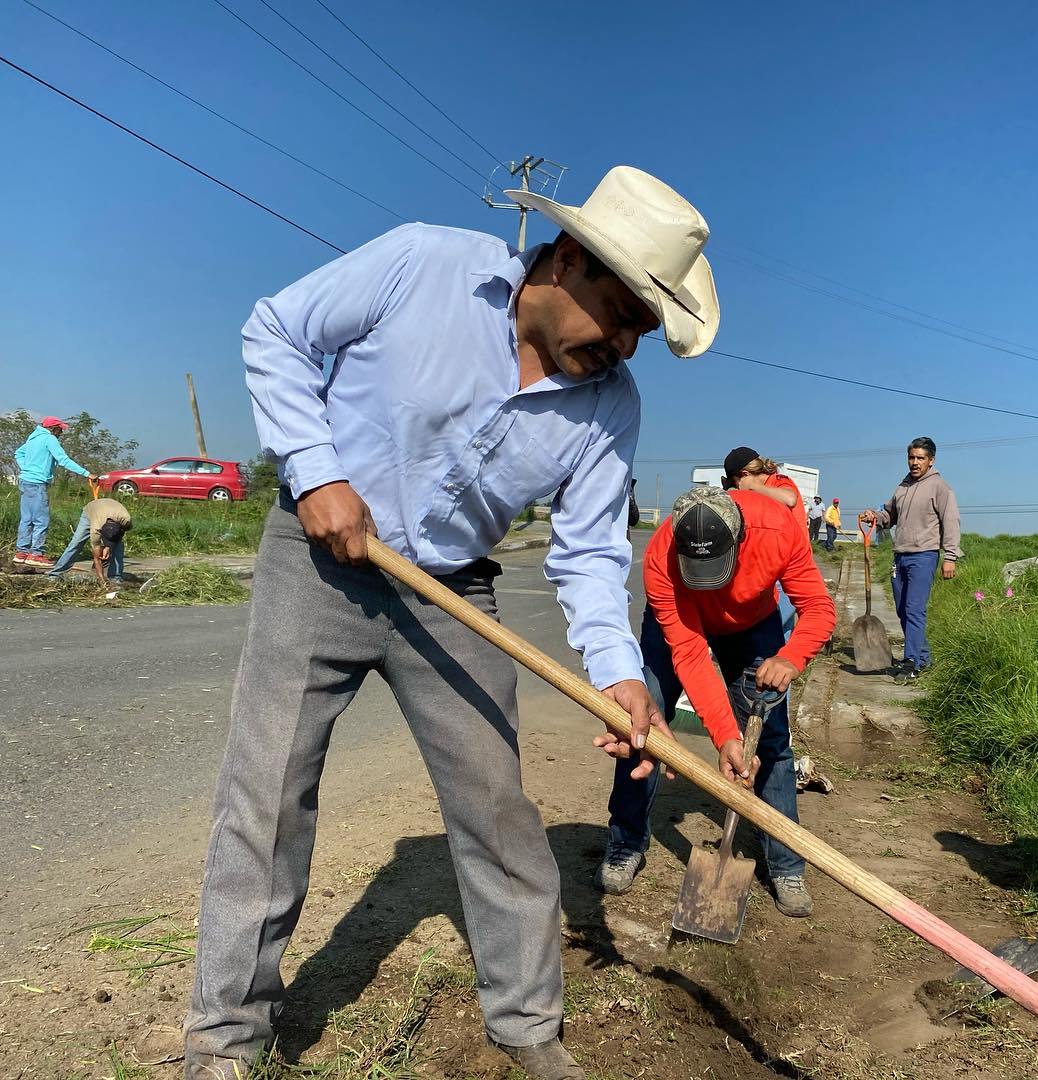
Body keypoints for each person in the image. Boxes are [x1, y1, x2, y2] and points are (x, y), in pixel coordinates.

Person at [183, 166, 720, 1080]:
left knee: (498, 808)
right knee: (266, 799)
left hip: (454, 595)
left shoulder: (610, 407)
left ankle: (528, 1029)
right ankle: (224, 1038)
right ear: (563, 258)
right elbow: (274, 329)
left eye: (644, 331)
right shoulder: (423, 264)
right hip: (318, 561)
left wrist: (619, 674)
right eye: (623, 313)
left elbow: (590, 553)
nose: (627, 343)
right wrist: (317, 472)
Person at [595, 487, 835, 916]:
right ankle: (626, 842)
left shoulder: (776, 529)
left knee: (773, 743)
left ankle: (786, 863)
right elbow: (689, 652)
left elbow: (817, 607)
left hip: (753, 624)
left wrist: (791, 657)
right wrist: (725, 735)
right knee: (640, 723)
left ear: (740, 539)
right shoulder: (662, 554)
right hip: (677, 625)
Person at [860, 437, 960, 682]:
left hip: (924, 556)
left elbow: (951, 522)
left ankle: (911, 662)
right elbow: (890, 515)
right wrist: (874, 516)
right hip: (900, 555)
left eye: (920, 458)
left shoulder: (940, 487)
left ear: (931, 461)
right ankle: (924, 657)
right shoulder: (902, 487)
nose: (915, 463)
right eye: (911, 457)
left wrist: (950, 557)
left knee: (914, 609)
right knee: (902, 610)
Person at [722, 446, 804, 634]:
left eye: (736, 482)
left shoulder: (778, 481)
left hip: (787, 567)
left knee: (766, 626)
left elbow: (790, 499)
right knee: (783, 633)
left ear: (744, 474)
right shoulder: (762, 489)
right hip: (777, 564)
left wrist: (754, 487)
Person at [12, 416, 91, 568]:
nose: (61, 432)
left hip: (25, 481)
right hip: (37, 482)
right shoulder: (49, 439)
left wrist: (26, 467)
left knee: (27, 518)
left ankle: (21, 553)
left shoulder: (33, 438)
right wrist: (87, 474)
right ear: (52, 428)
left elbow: (18, 453)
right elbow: (63, 460)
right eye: (60, 429)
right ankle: (36, 554)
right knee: (41, 519)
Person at [46, 497, 132, 585]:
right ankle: (55, 574)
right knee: (76, 543)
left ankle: (115, 577)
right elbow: (96, 558)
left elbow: (122, 532)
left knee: (118, 546)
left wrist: (109, 546)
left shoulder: (126, 520)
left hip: (112, 508)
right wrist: (102, 581)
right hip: (91, 511)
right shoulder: (96, 529)